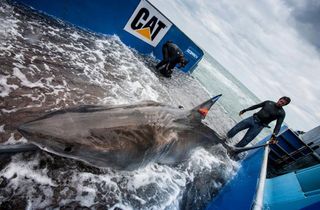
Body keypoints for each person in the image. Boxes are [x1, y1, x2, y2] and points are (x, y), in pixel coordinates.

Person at [227, 96, 291, 147]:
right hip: (252, 119)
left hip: (259, 126)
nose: (280, 103)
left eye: (283, 103)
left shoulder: (282, 113)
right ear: (279, 99)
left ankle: (233, 149)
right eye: (281, 101)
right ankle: (225, 139)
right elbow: (256, 106)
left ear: (284, 105)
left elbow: (278, 125)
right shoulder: (268, 102)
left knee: (246, 140)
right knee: (236, 129)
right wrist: (245, 110)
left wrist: (274, 135)